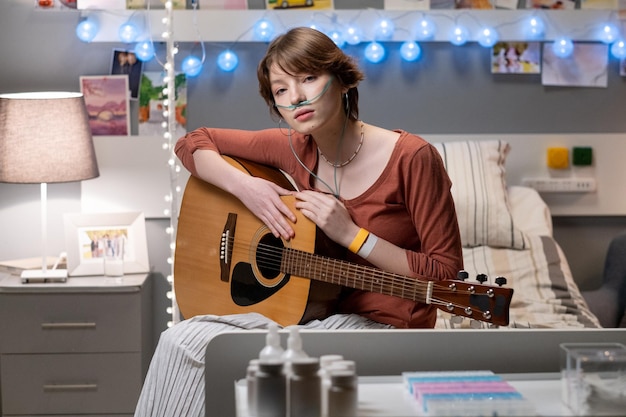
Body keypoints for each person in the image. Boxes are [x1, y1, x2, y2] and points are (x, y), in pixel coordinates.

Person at [134, 27, 463, 416]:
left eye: (309, 78)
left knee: (195, 346)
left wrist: (353, 236)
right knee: (179, 339)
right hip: (311, 314)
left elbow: (445, 273)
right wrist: (247, 187)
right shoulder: (293, 147)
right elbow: (193, 142)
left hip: (386, 327)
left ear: (341, 80)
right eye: (281, 90)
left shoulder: (413, 157)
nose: (298, 98)